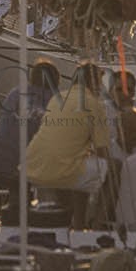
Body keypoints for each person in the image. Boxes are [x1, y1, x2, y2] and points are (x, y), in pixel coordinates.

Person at [25, 62, 109, 229]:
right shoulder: (94, 104)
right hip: (63, 170)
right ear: (92, 83)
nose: (100, 88)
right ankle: (96, 224)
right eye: (99, 83)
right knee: (114, 168)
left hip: (35, 167)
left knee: (79, 170)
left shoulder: (57, 98)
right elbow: (102, 151)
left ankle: (72, 222)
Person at [0, 59, 60, 223]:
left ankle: (15, 214)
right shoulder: (55, 101)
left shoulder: (16, 93)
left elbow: (4, 125)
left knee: (19, 185)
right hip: (24, 167)